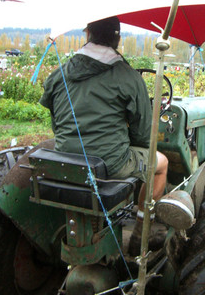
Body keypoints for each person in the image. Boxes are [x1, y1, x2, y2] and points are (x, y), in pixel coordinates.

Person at [39, 16, 168, 256]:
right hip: (110, 163)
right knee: (161, 163)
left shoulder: (59, 74)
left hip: (66, 158)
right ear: (117, 38)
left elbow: (56, 124)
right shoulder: (129, 76)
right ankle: (141, 231)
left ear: (87, 34)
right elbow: (142, 137)